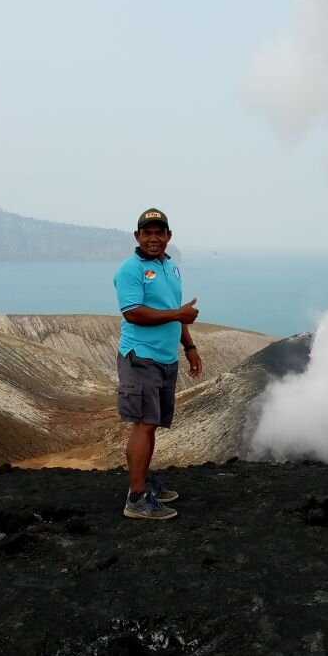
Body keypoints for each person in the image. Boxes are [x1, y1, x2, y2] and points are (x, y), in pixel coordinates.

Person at [113, 208, 203, 520]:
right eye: (147, 232)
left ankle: (144, 482)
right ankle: (136, 498)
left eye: (159, 232)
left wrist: (188, 345)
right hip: (140, 356)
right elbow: (133, 312)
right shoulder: (130, 270)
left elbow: (173, 309)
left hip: (166, 358)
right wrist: (178, 316)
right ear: (137, 237)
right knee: (144, 423)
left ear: (168, 236)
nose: (154, 238)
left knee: (152, 424)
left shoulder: (170, 268)